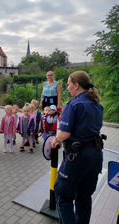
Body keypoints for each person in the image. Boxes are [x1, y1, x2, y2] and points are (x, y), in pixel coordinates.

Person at [50, 71, 104, 224]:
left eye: (68, 84)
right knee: (84, 196)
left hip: (77, 157)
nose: (67, 88)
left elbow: (64, 133)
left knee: (63, 196)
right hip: (95, 156)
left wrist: (56, 139)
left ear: (76, 85)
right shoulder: (97, 105)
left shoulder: (74, 105)